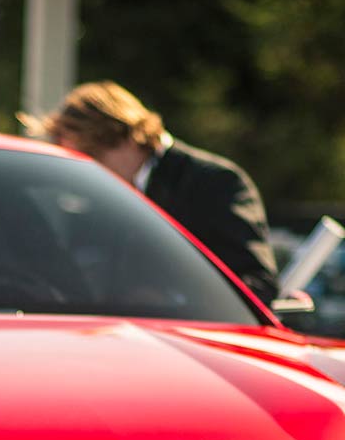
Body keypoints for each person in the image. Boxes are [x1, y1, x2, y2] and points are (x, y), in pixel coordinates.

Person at [24, 81, 279, 304]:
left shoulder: (213, 183)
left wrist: (173, 300)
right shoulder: (103, 196)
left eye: (92, 156)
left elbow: (256, 285)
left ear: (125, 136)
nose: (86, 175)